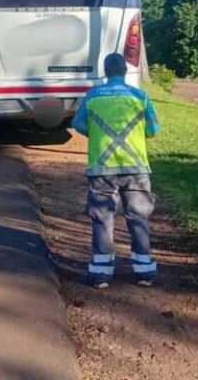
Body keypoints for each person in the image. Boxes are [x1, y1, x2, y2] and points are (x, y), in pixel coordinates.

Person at [72, 53, 161, 289]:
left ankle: (101, 274)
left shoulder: (92, 97)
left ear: (105, 71)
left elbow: (78, 124)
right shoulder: (140, 97)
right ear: (124, 71)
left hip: (102, 168)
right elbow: (153, 130)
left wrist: (98, 135)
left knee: (102, 218)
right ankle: (144, 273)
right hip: (136, 168)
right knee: (139, 218)